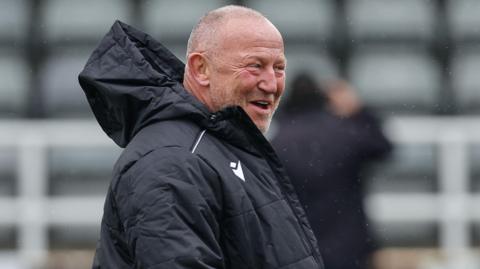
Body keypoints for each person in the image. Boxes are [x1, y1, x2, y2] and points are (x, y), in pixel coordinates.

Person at [78, 5, 323, 269]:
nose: (271, 84)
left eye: (279, 68)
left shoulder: (220, 148)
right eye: (255, 66)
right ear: (201, 69)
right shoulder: (171, 162)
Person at [272, 74, 393, 269]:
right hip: (349, 245)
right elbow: (383, 148)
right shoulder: (345, 132)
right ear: (322, 97)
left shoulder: (278, 141)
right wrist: (358, 110)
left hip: (299, 246)